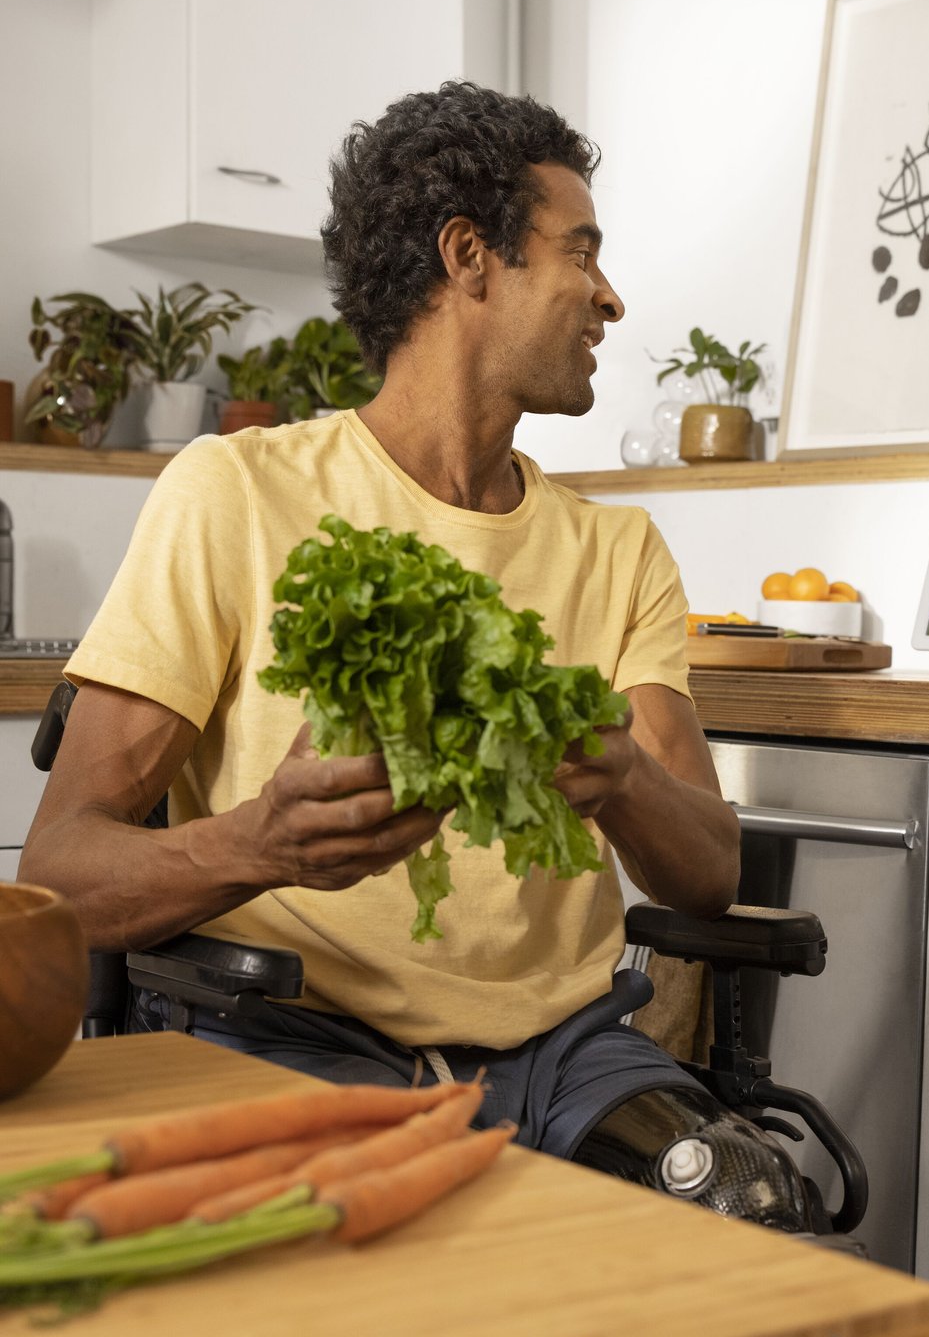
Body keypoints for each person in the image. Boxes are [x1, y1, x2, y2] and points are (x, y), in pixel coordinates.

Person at [18, 83, 817, 1225]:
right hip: (295, 1035)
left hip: (565, 1057)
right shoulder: (234, 493)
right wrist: (259, 843)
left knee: (746, 1203)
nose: (610, 295)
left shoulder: (618, 547)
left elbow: (706, 874)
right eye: (579, 254)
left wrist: (624, 779)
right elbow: (58, 875)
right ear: (467, 258)